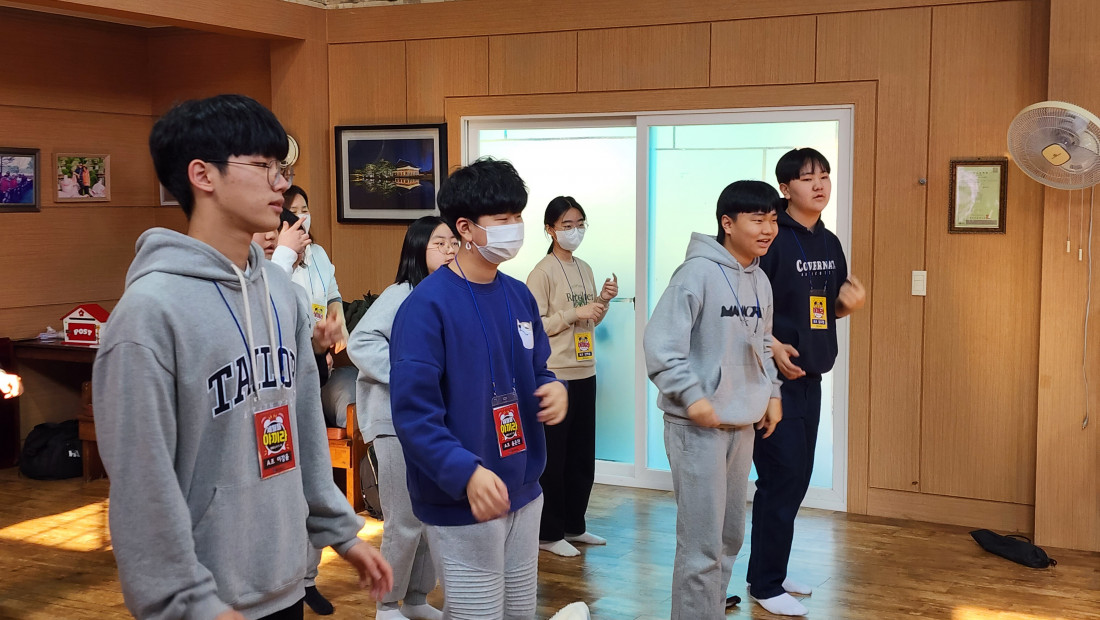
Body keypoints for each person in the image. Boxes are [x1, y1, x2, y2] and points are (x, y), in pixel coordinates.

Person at [92, 93, 392, 620]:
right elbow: (143, 485)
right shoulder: (148, 314)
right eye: (264, 167)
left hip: (285, 581)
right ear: (203, 175)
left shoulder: (281, 292)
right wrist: (189, 602)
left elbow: (303, 427)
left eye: (283, 169)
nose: (282, 185)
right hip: (205, 602)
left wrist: (341, 532)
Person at [389, 157, 568, 619]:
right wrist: (465, 472)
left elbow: (538, 367)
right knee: (477, 613)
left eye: (518, 216)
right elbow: (414, 415)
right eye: (502, 218)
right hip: (463, 494)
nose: (515, 228)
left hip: (523, 488)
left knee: (519, 612)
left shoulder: (518, 294)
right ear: (465, 228)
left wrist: (552, 387)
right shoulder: (426, 306)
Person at [643, 180, 783, 620]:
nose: (768, 229)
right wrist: (692, 396)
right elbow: (661, 347)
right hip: (696, 427)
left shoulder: (760, 279)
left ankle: (709, 611)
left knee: (728, 538)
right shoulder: (695, 274)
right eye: (757, 220)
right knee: (701, 544)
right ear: (728, 223)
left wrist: (772, 392)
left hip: (742, 424)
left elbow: (763, 342)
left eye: (773, 220)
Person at [747, 148, 866, 617]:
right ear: (785, 188)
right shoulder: (770, 236)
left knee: (795, 479)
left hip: (809, 374)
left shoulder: (828, 242)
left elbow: (824, 308)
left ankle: (770, 571)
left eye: (824, 176)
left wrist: (845, 307)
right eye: (806, 178)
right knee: (781, 478)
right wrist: (771, 344)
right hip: (769, 379)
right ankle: (765, 583)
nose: (819, 185)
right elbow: (746, 307)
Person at [347, 215, 458, 620]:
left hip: (429, 423)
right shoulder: (401, 294)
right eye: (439, 244)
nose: (450, 250)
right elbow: (360, 342)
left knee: (428, 515)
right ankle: (387, 604)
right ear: (417, 249)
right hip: (392, 423)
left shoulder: (445, 295)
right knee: (404, 519)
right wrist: (408, 375)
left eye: (453, 243)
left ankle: (414, 599)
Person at [525, 196, 617, 557]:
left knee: (581, 454)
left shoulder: (584, 267)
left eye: (580, 224)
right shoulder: (542, 272)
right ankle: (548, 533)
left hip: (585, 369)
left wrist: (602, 301)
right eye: (567, 225)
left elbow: (590, 319)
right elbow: (534, 327)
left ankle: (574, 526)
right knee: (555, 458)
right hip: (555, 374)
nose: (574, 231)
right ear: (550, 229)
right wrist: (573, 313)